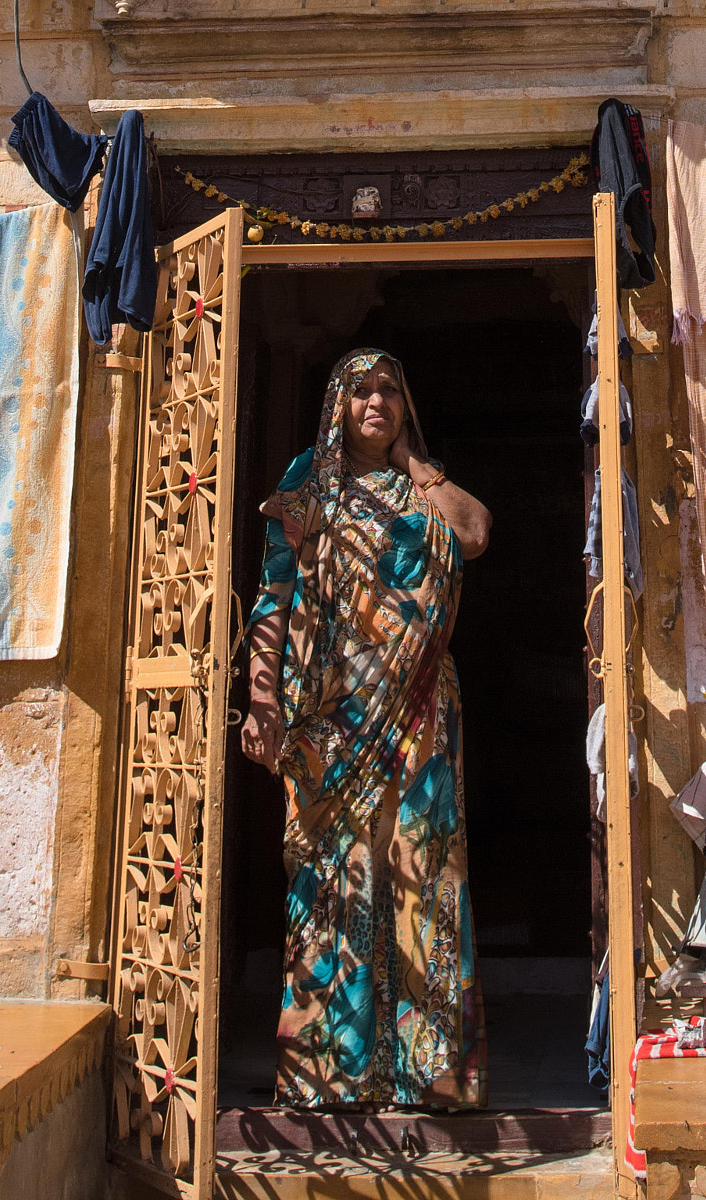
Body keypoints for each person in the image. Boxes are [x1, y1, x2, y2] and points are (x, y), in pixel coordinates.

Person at [241, 348, 492, 1110]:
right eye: (360, 391)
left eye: (389, 389)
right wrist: (260, 702)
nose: (375, 402)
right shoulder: (306, 485)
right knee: (332, 878)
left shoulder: (425, 488)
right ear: (336, 406)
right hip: (330, 718)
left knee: (424, 871)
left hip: (419, 710)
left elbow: (476, 534)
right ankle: (330, 1073)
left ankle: (431, 1076)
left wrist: (419, 464)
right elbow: (271, 596)